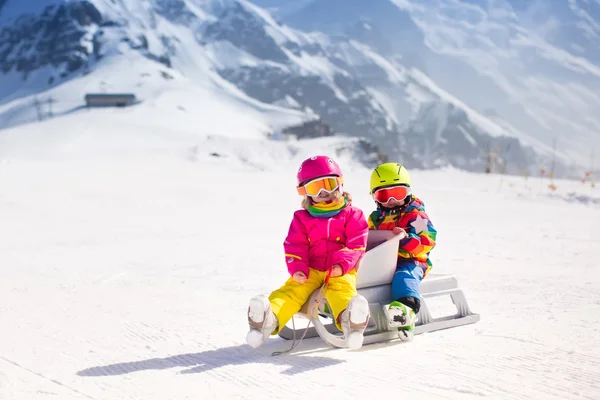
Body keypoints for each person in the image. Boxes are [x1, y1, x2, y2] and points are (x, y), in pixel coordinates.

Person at [246, 156, 370, 350]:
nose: (323, 192)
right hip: (311, 269)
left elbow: (356, 245)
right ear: (305, 193)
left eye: (328, 184)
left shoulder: (353, 215)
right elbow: (295, 245)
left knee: (341, 291)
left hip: (339, 271)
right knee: (293, 290)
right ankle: (268, 318)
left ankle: (350, 320)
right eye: (315, 188)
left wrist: (341, 266)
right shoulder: (301, 218)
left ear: (339, 184)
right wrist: (298, 268)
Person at [367, 162, 437, 340]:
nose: (391, 201)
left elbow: (428, 241)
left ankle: (406, 311)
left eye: (397, 193)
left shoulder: (416, 216)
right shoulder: (375, 219)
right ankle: (347, 309)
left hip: (412, 262)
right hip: (382, 262)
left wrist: (407, 239)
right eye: (384, 195)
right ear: (375, 197)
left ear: (408, 191)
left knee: (403, 275)